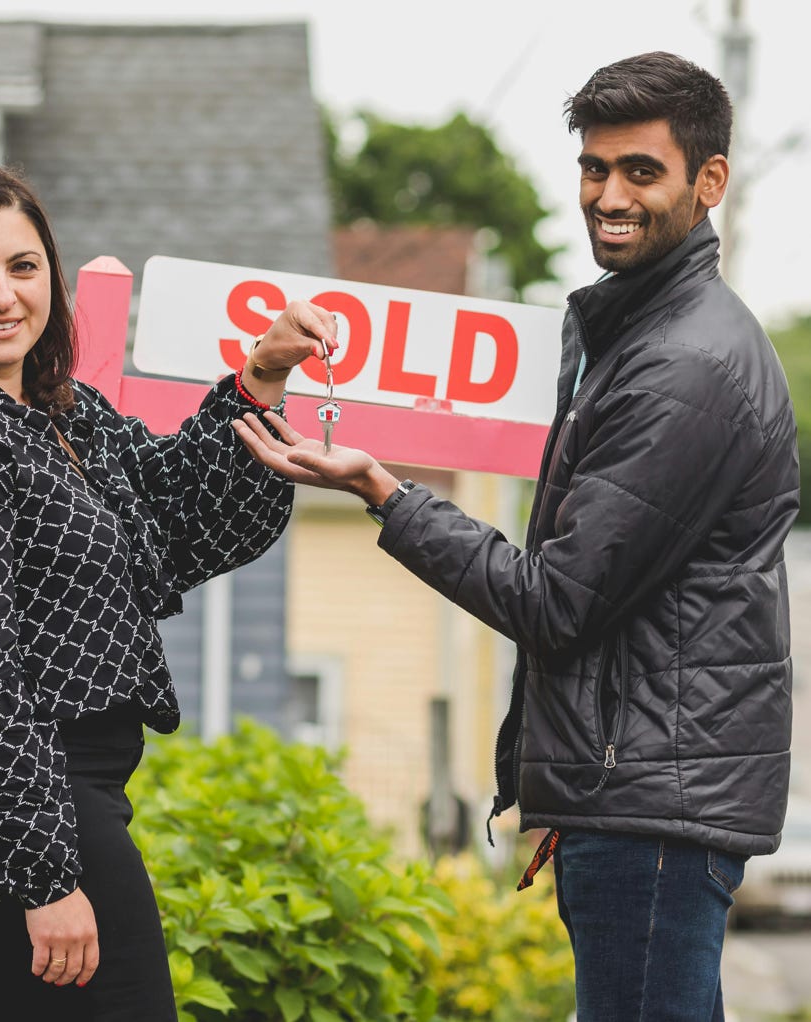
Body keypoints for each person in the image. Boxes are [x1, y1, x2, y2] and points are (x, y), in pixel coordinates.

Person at [233, 51, 800, 1021]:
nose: (608, 195)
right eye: (593, 167)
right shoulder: (639, 335)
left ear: (709, 183)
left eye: (640, 171)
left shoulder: (684, 366)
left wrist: (381, 488)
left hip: (651, 810)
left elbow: (555, 601)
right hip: (638, 800)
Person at [0, 161, 336, 1022]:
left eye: (23, 267)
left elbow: (182, 510)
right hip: (34, 805)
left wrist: (261, 373)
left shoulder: (66, 415)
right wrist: (44, 874)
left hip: (65, 798)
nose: (2, 296)